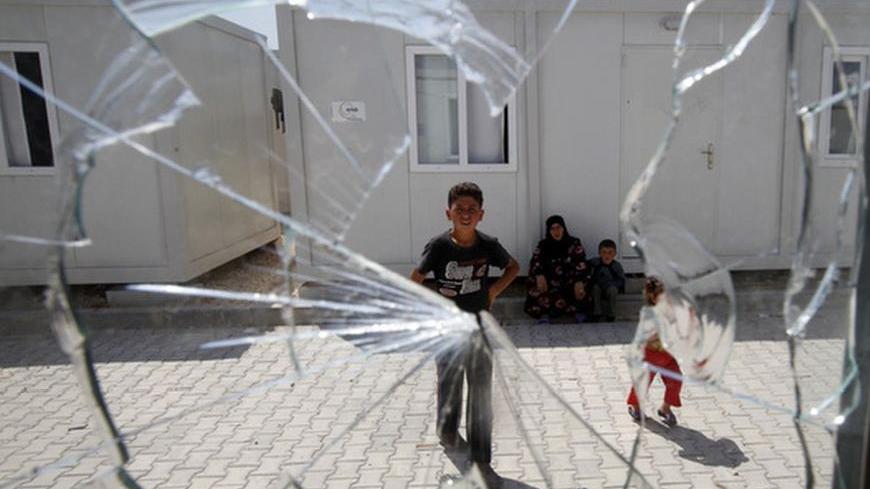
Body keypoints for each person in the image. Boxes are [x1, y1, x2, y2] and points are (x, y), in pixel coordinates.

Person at [410, 182, 519, 485]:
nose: (466, 214)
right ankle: (446, 431)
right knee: (450, 385)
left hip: (479, 330)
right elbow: (416, 279)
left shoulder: (488, 245)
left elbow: (512, 267)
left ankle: (482, 459)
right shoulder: (438, 247)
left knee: (481, 393)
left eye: (472, 209)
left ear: (481, 214)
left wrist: (493, 291)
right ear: (449, 213)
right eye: (460, 209)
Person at [626, 277, 682, 426]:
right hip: (649, 356)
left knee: (676, 381)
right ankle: (635, 406)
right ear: (652, 297)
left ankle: (665, 408)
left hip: (668, 356)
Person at [523, 215, 590, 323]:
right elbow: (535, 262)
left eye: (558, 227)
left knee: (582, 284)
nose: (556, 231)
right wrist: (539, 275)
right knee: (534, 283)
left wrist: (579, 281)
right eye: (552, 228)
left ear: (564, 228)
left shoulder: (573, 243)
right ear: (549, 231)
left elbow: (581, 262)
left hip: (568, 281)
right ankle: (544, 314)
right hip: (550, 282)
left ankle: (578, 312)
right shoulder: (543, 245)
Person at [587, 239, 626, 322]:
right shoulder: (595, 262)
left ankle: (611, 314)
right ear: (599, 253)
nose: (607, 255)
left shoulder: (617, 266)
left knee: (613, 290)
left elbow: (621, 280)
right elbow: (585, 265)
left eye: (610, 253)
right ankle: (597, 312)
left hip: (610, 287)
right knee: (595, 288)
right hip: (598, 287)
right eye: (604, 252)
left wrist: (613, 285)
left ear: (615, 254)